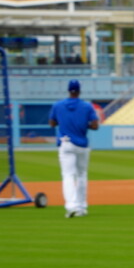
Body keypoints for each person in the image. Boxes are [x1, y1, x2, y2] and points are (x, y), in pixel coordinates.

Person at [49, 79, 99, 218]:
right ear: (79, 90)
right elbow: (95, 125)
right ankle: (81, 207)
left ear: (68, 90)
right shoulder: (87, 106)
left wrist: (64, 122)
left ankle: (71, 206)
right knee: (82, 175)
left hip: (65, 143)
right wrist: (83, 124)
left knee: (68, 175)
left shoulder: (58, 105)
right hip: (82, 144)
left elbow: (52, 123)